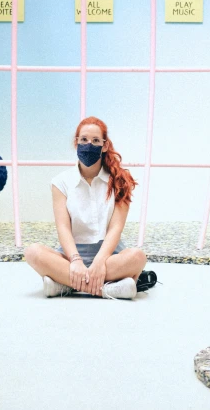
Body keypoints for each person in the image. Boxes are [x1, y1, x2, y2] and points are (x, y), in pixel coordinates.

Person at [24, 116, 147, 299]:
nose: (89, 145)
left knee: (138, 257)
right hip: (70, 257)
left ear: (105, 146)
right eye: (84, 140)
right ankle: (105, 290)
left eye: (95, 140)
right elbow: (63, 227)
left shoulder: (121, 180)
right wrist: (75, 261)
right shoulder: (60, 182)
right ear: (76, 143)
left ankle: (65, 285)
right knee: (32, 252)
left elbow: (116, 228)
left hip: (109, 256)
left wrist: (99, 261)